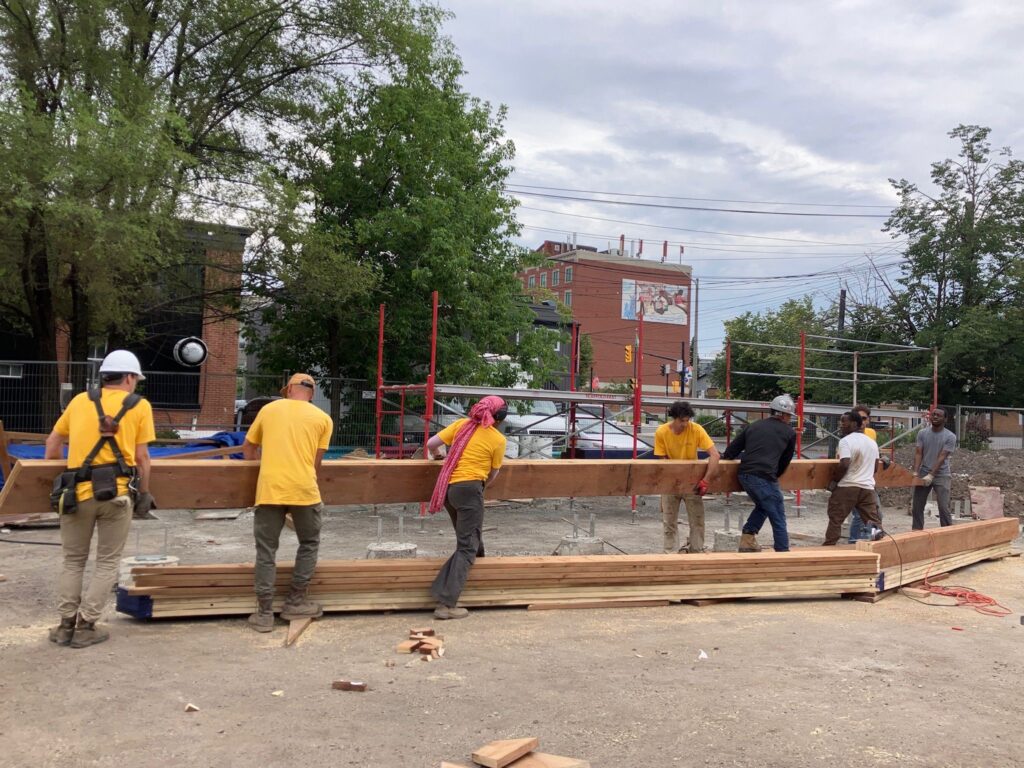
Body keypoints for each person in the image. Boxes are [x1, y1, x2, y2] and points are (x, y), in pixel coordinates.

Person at [43, 350, 156, 648]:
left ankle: (65, 625)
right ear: (130, 378)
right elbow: (143, 457)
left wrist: (51, 478)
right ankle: (86, 626)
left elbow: (52, 442)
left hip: (76, 494)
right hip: (116, 496)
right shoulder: (140, 406)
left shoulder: (80, 401)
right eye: (135, 380)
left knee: (73, 561)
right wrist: (144, 493)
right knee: (107, 562)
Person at [242, 373, 333, 632]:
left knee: (266, 551)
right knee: (309, 543)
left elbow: (248, 449)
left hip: (270, 489)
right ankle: (295, 602)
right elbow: (316, 464)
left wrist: (260, 471)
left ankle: (264, 613)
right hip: (305, 489)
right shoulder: (323, 419)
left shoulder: (269, 410)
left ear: (289, 389)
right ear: (312, 393)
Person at [425, 396, 507, 620]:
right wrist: (479, 488)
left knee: (472, 539)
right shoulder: (498, 440)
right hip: (470, 491)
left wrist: (438, 456)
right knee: (467, 546)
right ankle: (446, 603)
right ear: (499, 418)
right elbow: (493, 474)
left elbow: (431, 444)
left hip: (449, 490)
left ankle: (475, 583)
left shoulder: (461, 426)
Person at [723, 394, 797, 553]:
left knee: (764, 506)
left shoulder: (754, 425)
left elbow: (731, 451)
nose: (790, 418)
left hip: (744, 475)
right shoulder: (789, 432)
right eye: (789, 415)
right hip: (764, 476)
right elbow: (785, 461)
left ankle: (747, 539)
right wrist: (773, 477)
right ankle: (782, 552)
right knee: (777, 514)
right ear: (782, 414)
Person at [654, 401, 720, 553]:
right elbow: (662, 461)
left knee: (697, 521)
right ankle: (670, 555)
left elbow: (715, 455)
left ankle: (696, 552)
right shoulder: (661, 432)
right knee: (669, 522)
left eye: (687, 420)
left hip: (693, 483)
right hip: (670, 483)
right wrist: (671, 480)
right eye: (682, 420)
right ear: (674, 418)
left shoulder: (696, 429)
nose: (685, 424)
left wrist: (706, 480)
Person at [823, 411, 886, 546]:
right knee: (873, 522)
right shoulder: (872, 443)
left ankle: (829, 547)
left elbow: (844, 463)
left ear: (853, 423)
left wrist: (834, 481)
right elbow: (875, 468)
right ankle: (880, 548)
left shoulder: (845, 441)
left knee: (836, 519)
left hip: (847, 486)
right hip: (867, 488)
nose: (841, 425)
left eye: (844, 421)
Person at [911, 407, 956, 529]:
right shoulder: (922, 433)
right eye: (933, 414)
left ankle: (947, 533)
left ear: (945, 419)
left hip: (942, 474)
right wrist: (916, 472)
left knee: (943, 506)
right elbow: (918, 453)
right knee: (917, 506)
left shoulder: (950, 436)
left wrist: (931, 475)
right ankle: (916, 532)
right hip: (924, 470)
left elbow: (942, 457)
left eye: (939, 415)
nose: (935, 417)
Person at [846, 404, 882, 542]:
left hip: (867, 481)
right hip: (853, 481)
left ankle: (865, 539)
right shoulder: (848, 435)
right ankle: (854, 542)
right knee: (858, 515)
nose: (862, 421)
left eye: (864, 418)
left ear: (868, 420)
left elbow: (873, 453)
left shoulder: (871, 433)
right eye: (858, 418)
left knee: (876, 514)